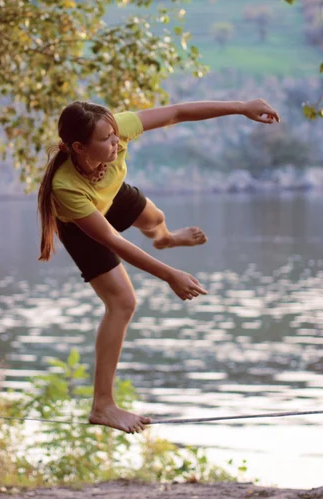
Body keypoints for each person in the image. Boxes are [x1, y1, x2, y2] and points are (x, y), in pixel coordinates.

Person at [37, 98, 280, 435]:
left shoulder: (116, 128)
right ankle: (103, 405)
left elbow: (177, 113)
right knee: (123, 303)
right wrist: (169, 274)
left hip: (111, 193)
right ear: (79, 147)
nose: (117, 142)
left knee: (157, 219)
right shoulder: (66, 187)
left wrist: (241, 107)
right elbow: (114, 241)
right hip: (84, 223)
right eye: (106, 139)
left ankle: (164, 238)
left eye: (115, 135)